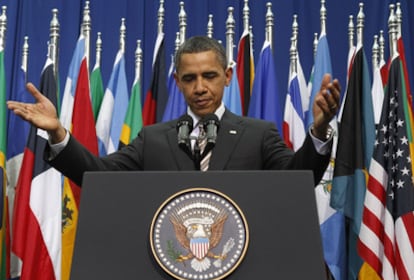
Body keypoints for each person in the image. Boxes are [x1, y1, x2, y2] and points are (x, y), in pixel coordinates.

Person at [7, 35, 340, 188]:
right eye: (189, 78)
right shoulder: (154, 139)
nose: (199, 88)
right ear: (177, 82)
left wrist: (321, 132)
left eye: (209, 76)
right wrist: (57, 132)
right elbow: (96, 175)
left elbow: (299, 178)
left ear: (227, 76)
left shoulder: (259, 134)